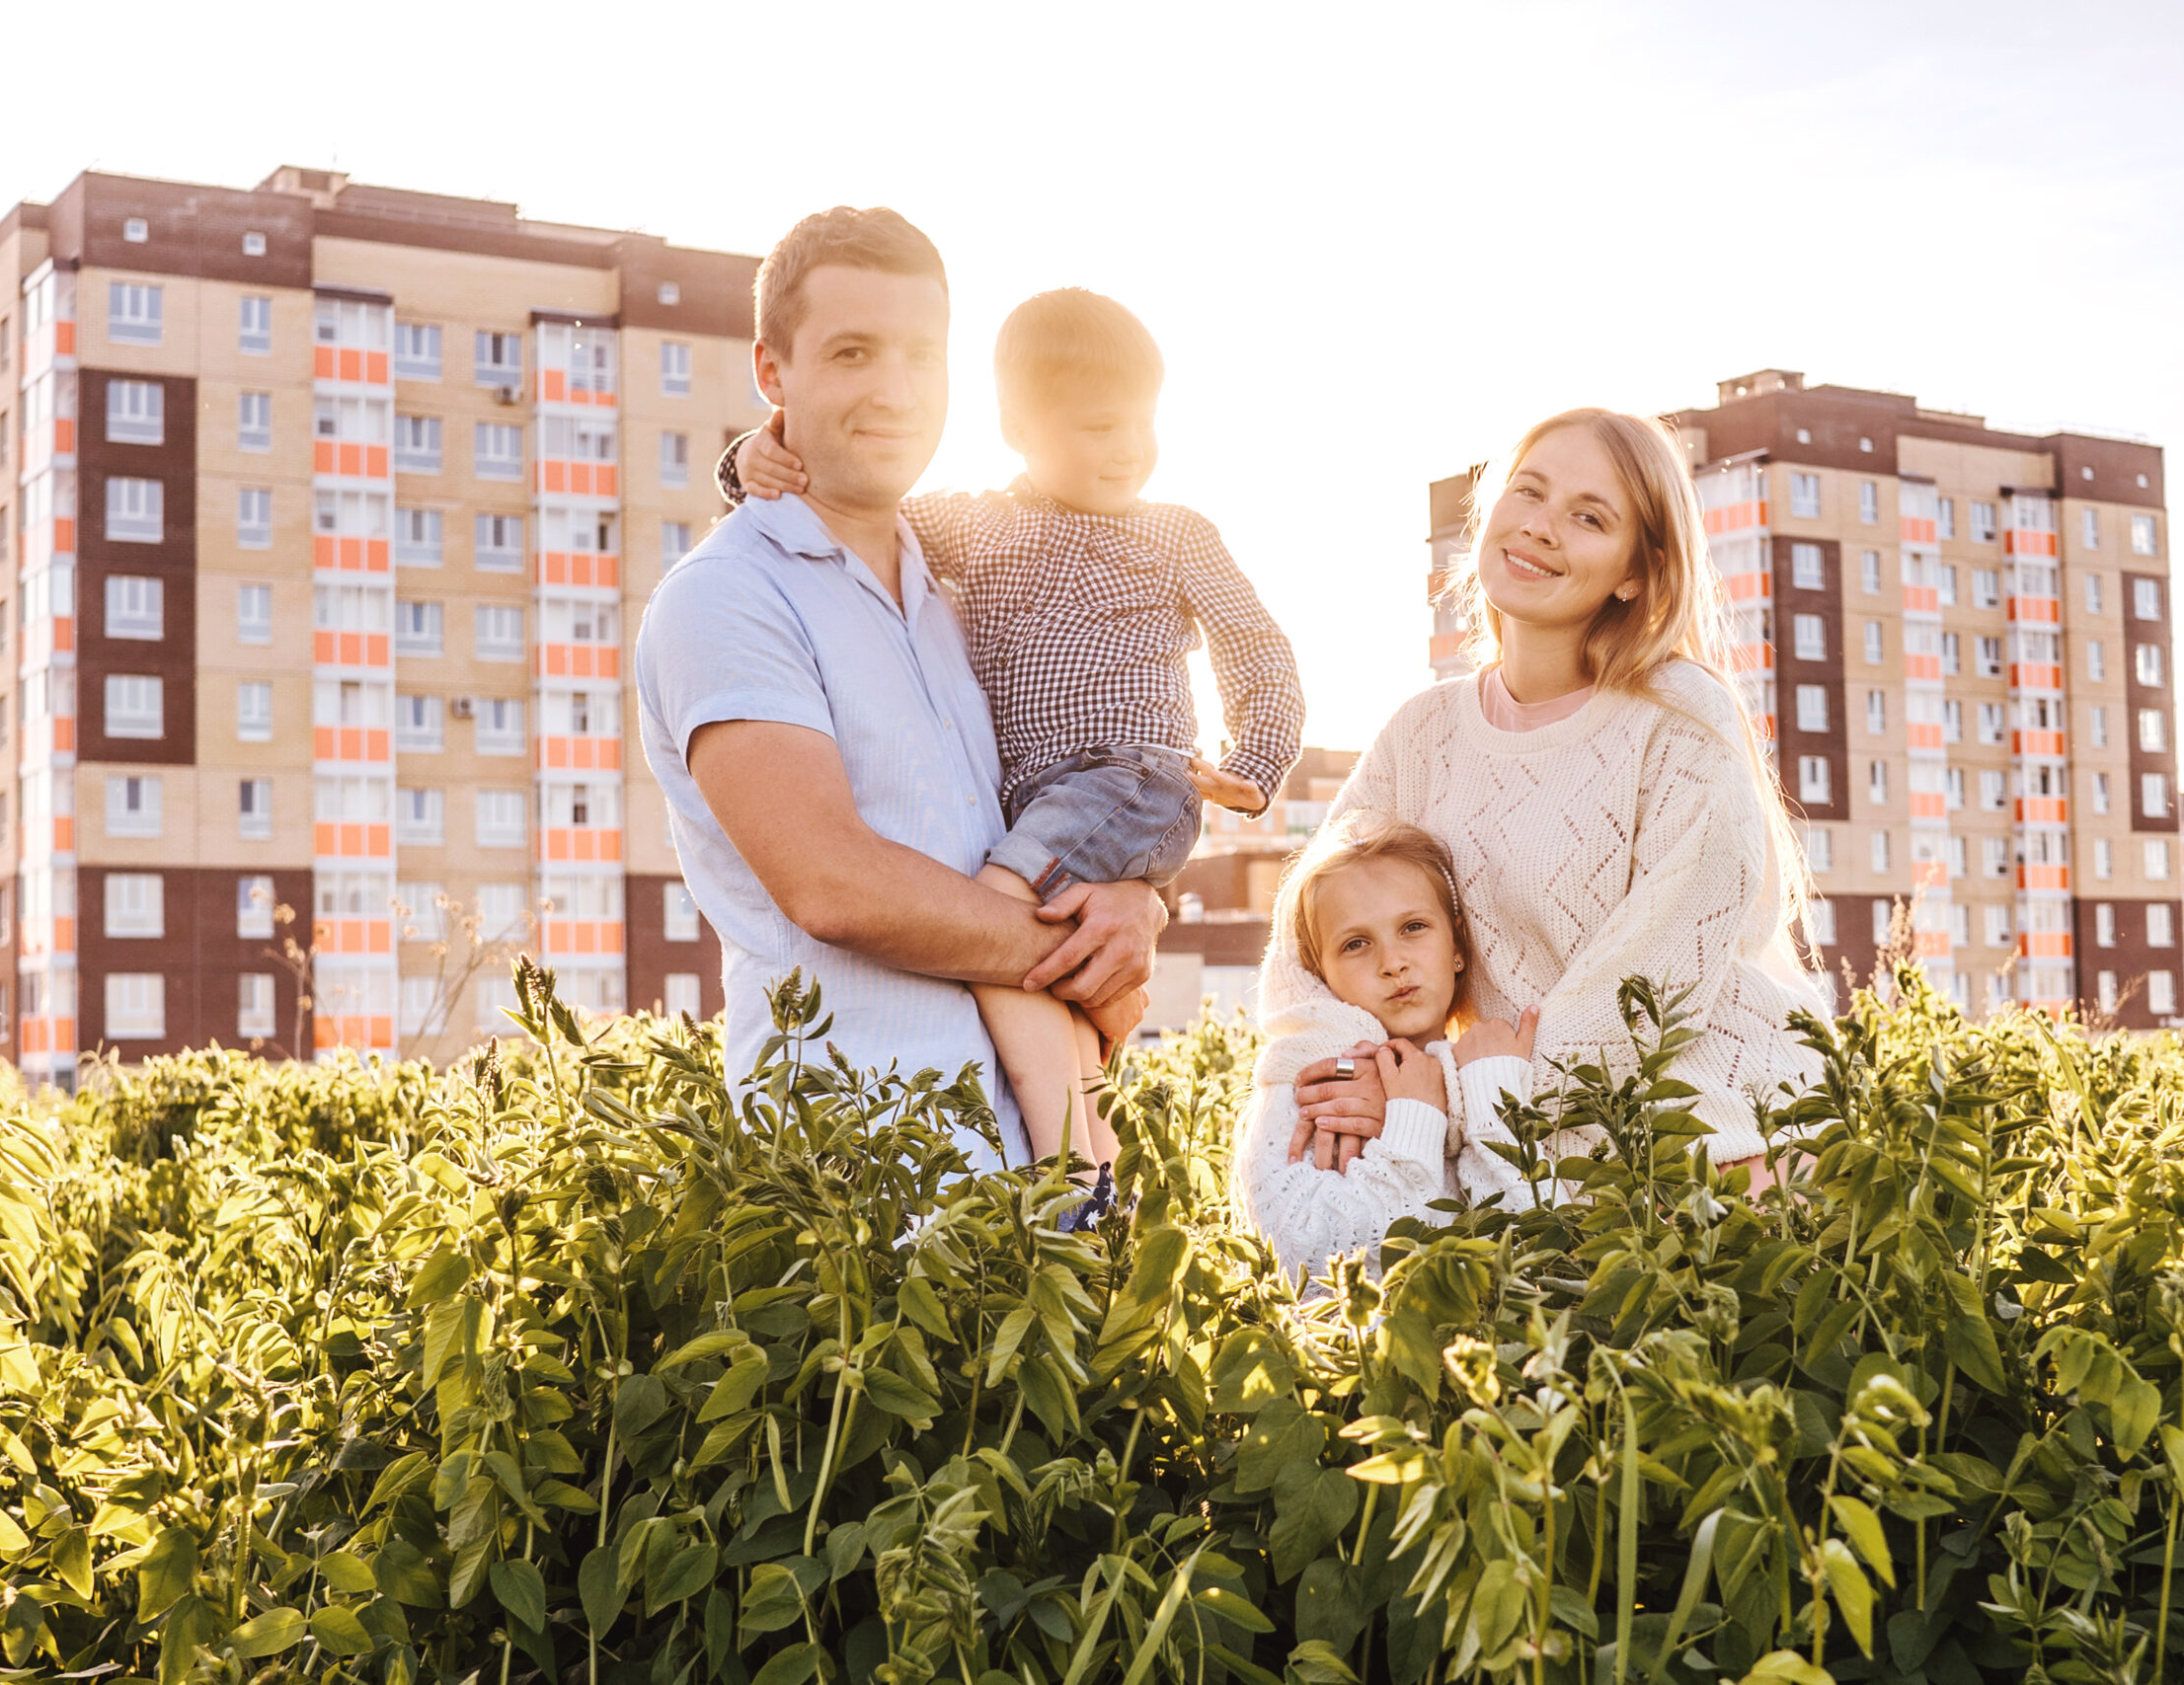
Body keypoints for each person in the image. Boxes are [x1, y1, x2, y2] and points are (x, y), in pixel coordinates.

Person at [721, 289, 1304, 1190]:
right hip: (1035, 796)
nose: (1130, 449)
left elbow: (1258, 646)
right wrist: (753, 459)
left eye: (1144, 423)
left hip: (1127, 778)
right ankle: (1098, 1155)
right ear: (1019, 430)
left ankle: (1071, 1171)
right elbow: (846, 503)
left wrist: (1255, 763)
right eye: (1101, 427)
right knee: (1057, 958)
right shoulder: (978, 523)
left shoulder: (1177, 533)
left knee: (995, 917)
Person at [634, 208, 1166, 1175]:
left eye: (922, 356)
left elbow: (1060, 795)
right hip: (860, 1198)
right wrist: (1076, 960)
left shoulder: (965, 592)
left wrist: (1135, 903)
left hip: (1046, 1194)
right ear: (771, 373)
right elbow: (833, 883)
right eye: (852, 352)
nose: (895, 390)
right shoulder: (727, 596)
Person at [1278, 407, 1829, 1195]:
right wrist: (1339, 1072)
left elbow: (1649, 988)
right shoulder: (1420, 732)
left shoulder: (1680, 714)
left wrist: (1439, 1093)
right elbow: (1305, 937)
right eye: (1528, 492)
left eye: (1588, 517)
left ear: (1636, 571)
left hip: (1726, 1145)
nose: (1540, 526)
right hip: (1519, 1154)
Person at [1234, 812, 1538, 1278]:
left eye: (1413, 927)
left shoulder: (1485, 1069)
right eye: (1356, 944)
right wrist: (1415, 1119)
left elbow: (1538, 1253)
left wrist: (1489, 1097)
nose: (1393, 962)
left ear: (1457, 944)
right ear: (1320, 974)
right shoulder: (1314, 1092)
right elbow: (1305, 1264)